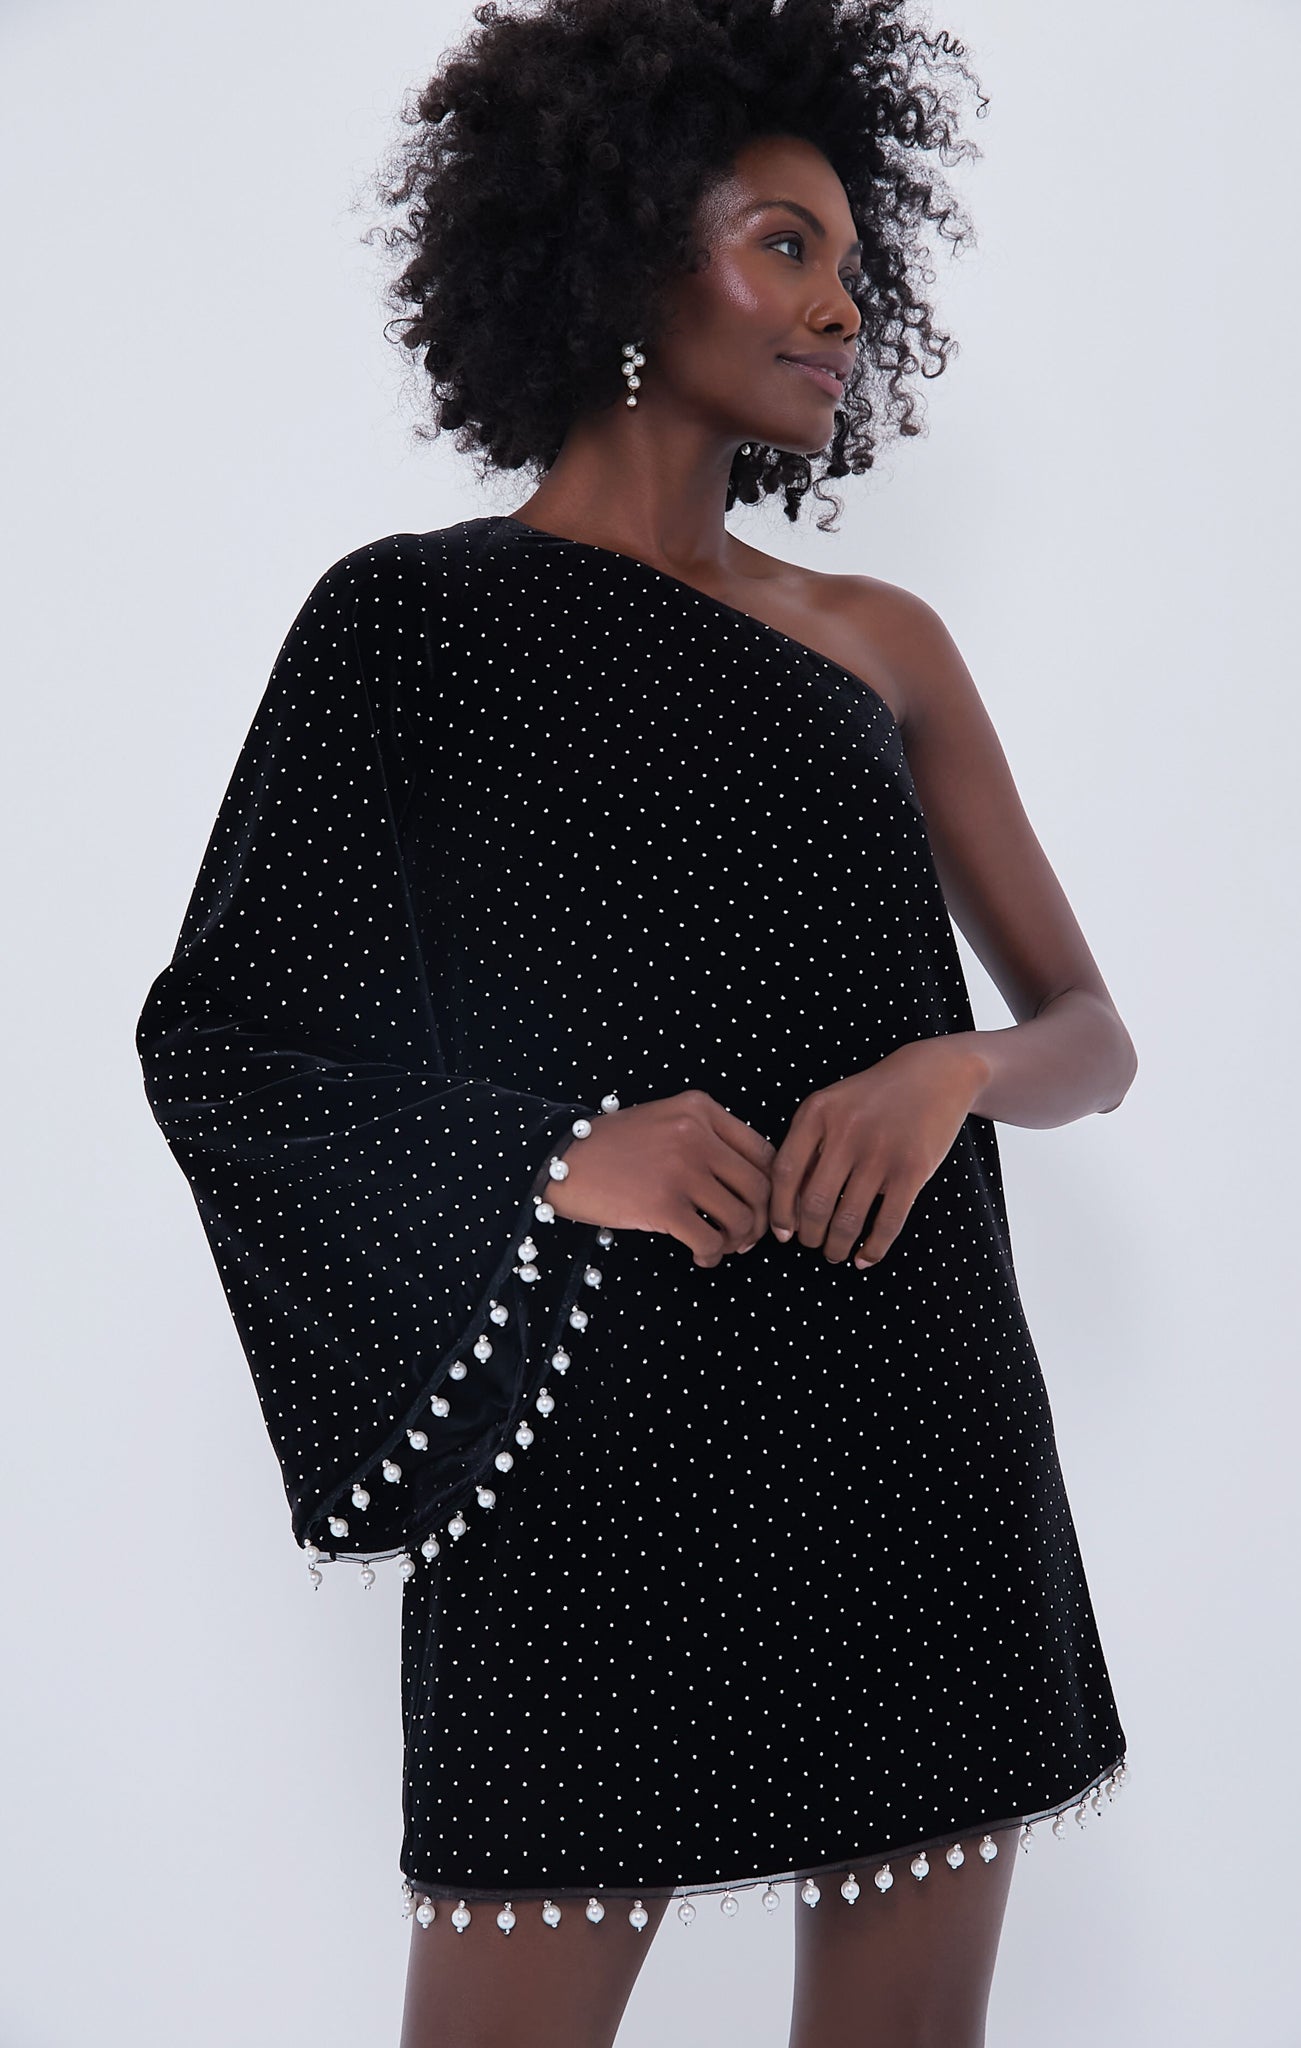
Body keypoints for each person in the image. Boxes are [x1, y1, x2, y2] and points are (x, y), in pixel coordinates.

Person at [136, 2, 1135, 2042]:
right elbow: (222, 1043)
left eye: (852, 263)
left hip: (910, 1435)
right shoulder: (403, 623)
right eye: (783, 245)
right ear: (611, 252)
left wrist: (952, 1068)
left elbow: (1089, 1032)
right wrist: (556, 1152)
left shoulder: (878, 643)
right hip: (590, 1454)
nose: (840, 306)